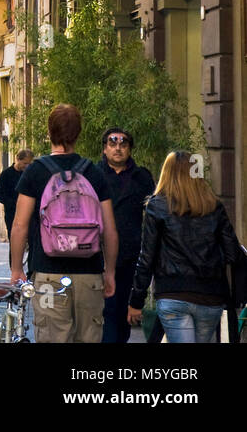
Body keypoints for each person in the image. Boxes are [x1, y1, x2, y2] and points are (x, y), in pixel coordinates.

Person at [9, 103, 118, 343]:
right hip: (89, 275)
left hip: (48, 274)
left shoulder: (36, 171)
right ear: (78, 133)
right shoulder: (94, 172)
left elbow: (20, 225)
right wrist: (109, 272)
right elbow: (109, 229)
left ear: (50, 132)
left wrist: (16, 268)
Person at [127, 151, 242, 343]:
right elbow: (233, 253)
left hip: (173, 294)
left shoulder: (157, 207)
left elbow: (146, 259)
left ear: (167, 173)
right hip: (210, 296)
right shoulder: (213, 206)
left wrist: (136, 301)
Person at [95, 127, 155, 343]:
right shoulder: (93, 175)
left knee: (123, 315)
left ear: (130, 149)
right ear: (104, 148)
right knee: (106, 313)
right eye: (112, 144)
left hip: (130, 253)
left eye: (123, 144)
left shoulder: (142, 177)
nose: (118, 148)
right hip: (98, 254)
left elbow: (153, 215)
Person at [0, 149, 33, 238]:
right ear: (18, 159)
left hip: (29, 215)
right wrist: (13, 203)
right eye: (25, 163)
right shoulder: (6, 174)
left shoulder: (30, 174)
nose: (27, 166)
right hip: (12, 214)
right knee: (14, 242)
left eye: (29, 164)